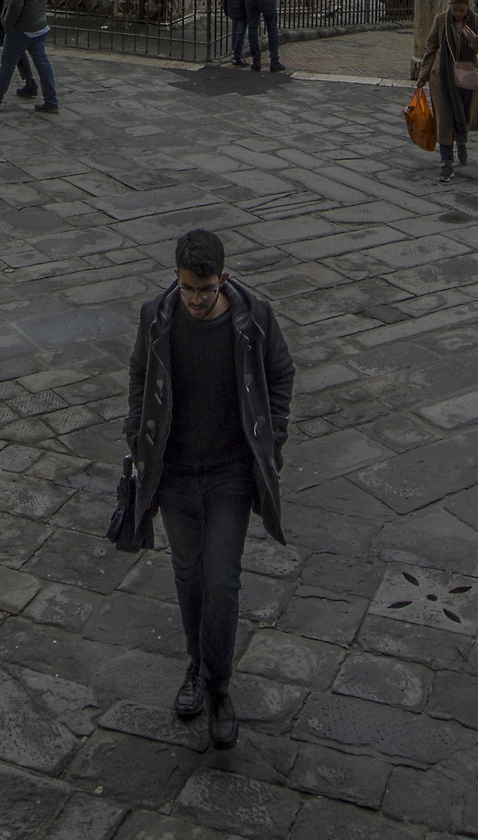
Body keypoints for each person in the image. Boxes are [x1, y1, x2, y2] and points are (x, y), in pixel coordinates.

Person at [124, 228, 294, 751]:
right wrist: (136, 435)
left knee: (222, 581)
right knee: (189, 574)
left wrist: (273, 433)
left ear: (223, 277)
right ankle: (196, 664)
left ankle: (219, 688)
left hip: (229, 475)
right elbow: (137, 380)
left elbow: (281, 374)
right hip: (174, 473)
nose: (195, 300)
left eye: (204, 289)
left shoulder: (253, 319)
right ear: (176, 278)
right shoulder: (157, 317)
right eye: (187, 289)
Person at [414, 0, 478, 181]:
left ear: (468, 8)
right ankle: (447, 162)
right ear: (449, 6)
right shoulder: (440, 20)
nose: (458, 13)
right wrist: (423, 76)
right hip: (442, 77)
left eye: (462, 10)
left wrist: (474, 39)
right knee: (444, 118)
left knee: (464, 114)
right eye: (454, 9)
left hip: (467, 78)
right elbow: (431, 48)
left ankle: (462, 141)